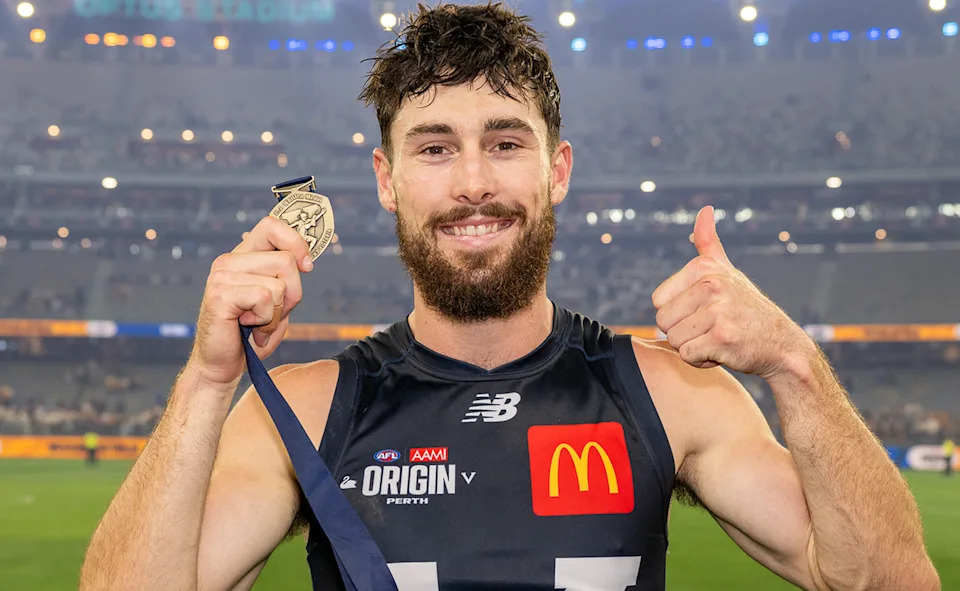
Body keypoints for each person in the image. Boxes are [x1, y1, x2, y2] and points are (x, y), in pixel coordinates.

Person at [79, 4, 939, 590]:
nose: (474, 183)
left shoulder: (672, 391)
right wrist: (206, 383)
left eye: (505, 142)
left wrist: (793, 364)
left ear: (556, 169)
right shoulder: (303, 412)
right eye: (434, 148)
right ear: (386, 180)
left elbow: (887, 579)